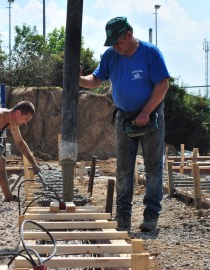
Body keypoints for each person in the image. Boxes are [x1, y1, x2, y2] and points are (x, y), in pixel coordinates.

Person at [79, 17, 170, 232]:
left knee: (153, 168)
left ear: (128, 35)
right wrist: (78, 78)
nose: (114, 46)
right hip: (125, 118)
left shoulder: (150, 53)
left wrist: (146, 112)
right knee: (123, 169)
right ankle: (123, 217)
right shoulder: (111, 55)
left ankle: (151, 216)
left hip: (151, 116)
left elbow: (163, 84)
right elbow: (96, 80)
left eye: (117, 41)